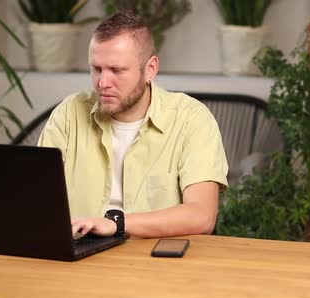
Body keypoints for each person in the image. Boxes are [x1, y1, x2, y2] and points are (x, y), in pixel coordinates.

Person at [38, 11, 228, 238]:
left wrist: (116, 223)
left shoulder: (192, 119)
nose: (103, 83)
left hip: (156, 262)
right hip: (78, 259)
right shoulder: (69, 113)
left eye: (117, 70)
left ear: (150, 69)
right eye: (96, 69)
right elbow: (36, 198)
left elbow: (201, 216)